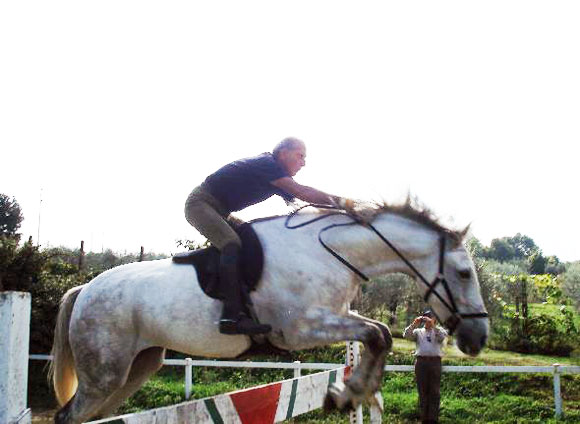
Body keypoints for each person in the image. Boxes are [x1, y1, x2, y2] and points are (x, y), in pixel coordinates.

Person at [184, 137, 351, 336]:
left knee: (253, 239)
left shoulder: (276, 175)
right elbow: (304, 192)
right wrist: (348, 204)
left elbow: (303, 204)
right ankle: (231, 316)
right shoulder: (268, 165)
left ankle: (249, 302)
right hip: (200, 204)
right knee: (231, 244)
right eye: (300, 156)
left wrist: (340, 216)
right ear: (283, 153)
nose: (303, 163)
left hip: (221, 211)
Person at [403, 310, 448, 424]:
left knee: (434, 391)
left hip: (435, 362)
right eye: (425, 318)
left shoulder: (439, 331)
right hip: (421, 362)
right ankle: (424, 419)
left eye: (430, 318)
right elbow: (406, 336)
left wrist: (434, 326)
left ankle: (433, 419)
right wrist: (414, 324)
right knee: (422, 392)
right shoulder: (418, 331)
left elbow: (442, 338)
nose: (427, 320)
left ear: (435, 320)